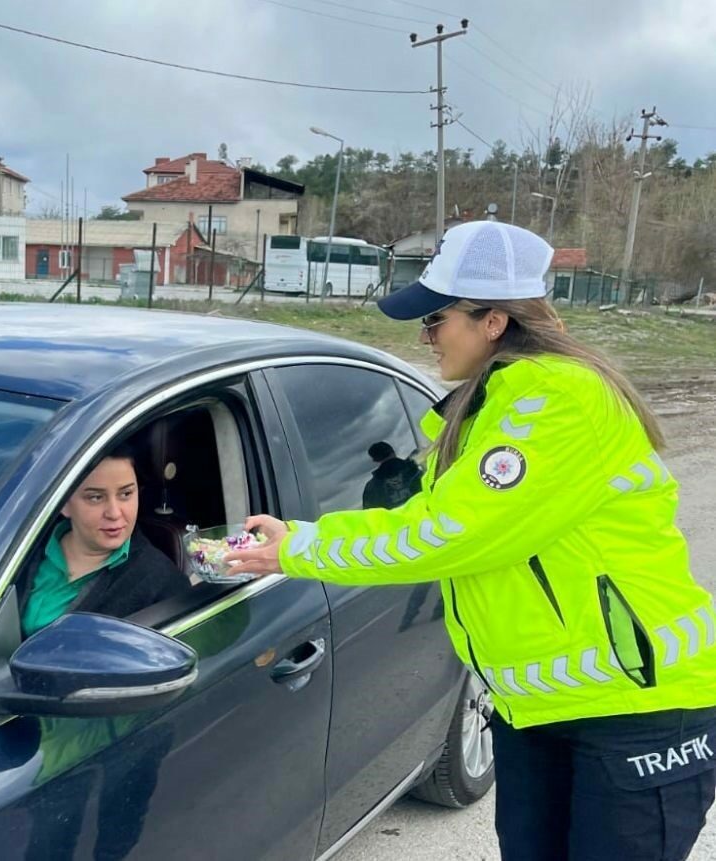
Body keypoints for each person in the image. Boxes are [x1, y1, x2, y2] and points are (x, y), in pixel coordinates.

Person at [227, 221, 716, 861]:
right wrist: (329, 523)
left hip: (634, 708)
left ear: (492, 321)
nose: (425, 337)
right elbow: (435, 515)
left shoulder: (558, 399)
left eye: (434, 320)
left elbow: (446, 535)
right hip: (540, 706)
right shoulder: (491, 407)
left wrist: (298, 548)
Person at [19, 445, 189, 637]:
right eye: (96, 497)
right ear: (64, 504)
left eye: (126, 494)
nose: (114, 513)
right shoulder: (23, 546)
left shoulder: (161, 581)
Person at [361, 440, 423, 509]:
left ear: (375, 460)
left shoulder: (371, 489)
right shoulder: (419, 466)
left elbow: (371, 515)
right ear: (393, 451)